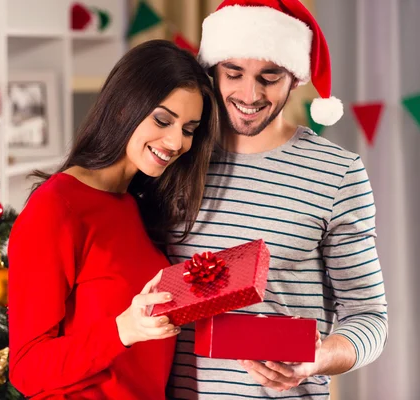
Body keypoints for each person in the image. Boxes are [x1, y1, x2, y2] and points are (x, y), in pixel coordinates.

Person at [166, 1, 388, 399]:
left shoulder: (337, 173)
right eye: (233, 74)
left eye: (269, 77)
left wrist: (318, 358)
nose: (249, 94)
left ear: (296, 78)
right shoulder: (175, 156)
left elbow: (369, 317)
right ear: (212, 71)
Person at [7, 40, 219, 399]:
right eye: (163, 120)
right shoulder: (57, 208)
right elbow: (26, 369)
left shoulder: (137, 205)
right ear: (123, 107)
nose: (176, 141)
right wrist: (122, 329)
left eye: (188, 129)